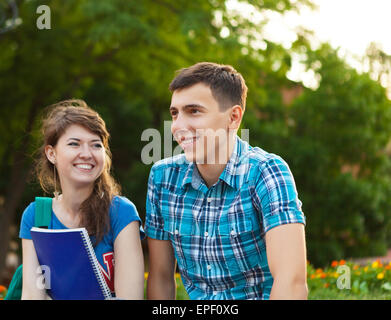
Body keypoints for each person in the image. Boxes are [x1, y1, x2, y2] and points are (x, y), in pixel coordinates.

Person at [145, 62, 307, 300]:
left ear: (233, 117)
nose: (178, 126)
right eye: (175, 113)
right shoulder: (162, 177)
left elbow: (291, 282)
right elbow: (160, 277)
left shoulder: (267, 172)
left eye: (194, 111)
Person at [19, 100, 145, 299]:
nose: (86, 154)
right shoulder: (36, 216)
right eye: (74, 144)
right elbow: (32, 294)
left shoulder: (121, 212)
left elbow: (130, 297)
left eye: (96, 145)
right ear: (52, 153)